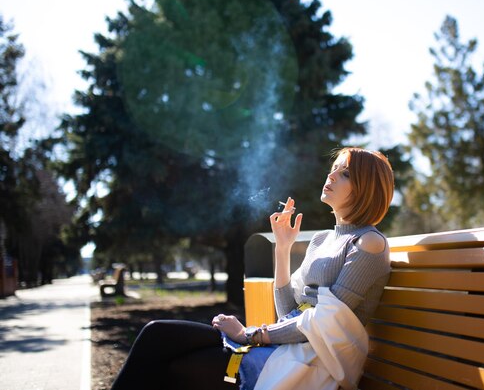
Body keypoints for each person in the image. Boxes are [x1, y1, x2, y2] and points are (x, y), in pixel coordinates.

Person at [109, 147, 395, 390]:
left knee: (172, 365)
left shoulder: (368, 243)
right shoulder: (322, 239)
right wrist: (282, 249)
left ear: (366, 189)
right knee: (158, 333)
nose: (331, 175)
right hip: (282, 348)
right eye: (333, 168)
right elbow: (288, 312)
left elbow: (324, 325)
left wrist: (249, 335)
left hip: (308, 363)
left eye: (344, 173)